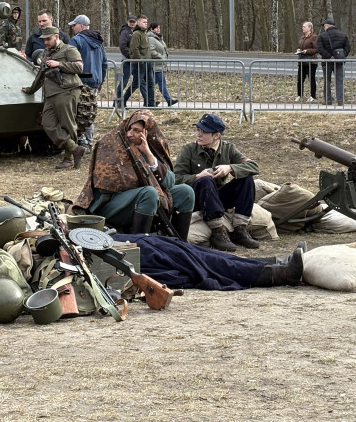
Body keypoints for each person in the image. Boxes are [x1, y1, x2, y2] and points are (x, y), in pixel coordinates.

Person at [74, 109, 194, 238]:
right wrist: (144, 181)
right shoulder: (110, 144)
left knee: (186, 192)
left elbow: (169, 182)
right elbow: (105, 186)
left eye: (137, 131)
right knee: (149, 193)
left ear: (147, 132)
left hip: (147, 197)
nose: (130, 134)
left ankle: (179, 244)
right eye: (129, 128)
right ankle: (140, 243)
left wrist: (148, 154)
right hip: (110, 203)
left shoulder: (152, 146)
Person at [174, 113, 261, 253]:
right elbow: (175, 178)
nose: (198, 134)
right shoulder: (188, 150)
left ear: (217, 136)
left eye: (204, 132)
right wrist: (197, 176)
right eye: (198, 130)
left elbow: (254, 167)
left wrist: (230, 168)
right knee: (206, 180)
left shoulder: (228, 148)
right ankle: (217, 231)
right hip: (197, 198)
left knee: (247, 179)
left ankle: (240, 229)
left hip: (217, 198)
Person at [113, 233, 305, 290]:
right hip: (114, 251)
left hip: (116, 240)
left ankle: (276, 262)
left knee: (197, 253)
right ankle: (278, 274)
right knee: (198, 263)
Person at [21, 25, 84, 168]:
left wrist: (59, 64)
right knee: (47, 123)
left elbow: (79, 67)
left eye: (48, 39)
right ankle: (75, 148)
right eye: (44, 40)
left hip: (67, 90)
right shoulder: (46, 52)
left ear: (56, 37)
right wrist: (31, 90)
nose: (45, 42)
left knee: (68, 124)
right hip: (50, 94)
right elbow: (41, 74)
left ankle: (68, 159)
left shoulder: (69, 50)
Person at [68, 14, 108, 148]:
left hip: (80, 81)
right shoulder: (98, 41)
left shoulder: (76, 40)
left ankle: (81, 140)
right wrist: (101, 80)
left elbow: (70, 61)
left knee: (78, 112)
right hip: (95, 81)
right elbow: (104, 63)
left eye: (74, 25)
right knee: (89, 111)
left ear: (81, 26)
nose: (73, 28)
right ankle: (89, 141)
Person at [122, 15, 156, 107]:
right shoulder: (136, 34)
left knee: (151, 84)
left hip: (148, 63)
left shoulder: (144, 33)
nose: (146, 24)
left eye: (146, 22)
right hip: (139, 64)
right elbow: (134, 49)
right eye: (144, 22)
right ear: (138, 23)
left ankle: (151, 103)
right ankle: (123, 100)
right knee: (135, 84)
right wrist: (140, 61)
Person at [316, 18, 351, 106]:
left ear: (327, 26)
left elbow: (320, 48)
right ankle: (340, 100)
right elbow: (348, 47)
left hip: (326, 61)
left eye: (324, 26)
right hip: (339, 61)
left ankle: (328, 100)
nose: (324, 28)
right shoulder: (343, 35)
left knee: (327, 81)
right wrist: (342, 56)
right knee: (339, 80)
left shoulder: (322, 36)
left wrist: (329, 56)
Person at [148, 22, 178, 107]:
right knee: (161, 83)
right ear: (151, 29)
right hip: (156, 65)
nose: (158, 29)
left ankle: (149, 100)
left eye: (159, 28)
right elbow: (151, 51)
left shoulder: (158, 38)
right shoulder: (151, 39)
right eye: (156, 28)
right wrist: (161, 57)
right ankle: (168, 100)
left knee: (151, 84)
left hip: (160, 65)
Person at [116, 14, 136, 109]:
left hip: (133, 61)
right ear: (127, 22)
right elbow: (122, 46)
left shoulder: (133, 31)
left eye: (133, 22)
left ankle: (149, 101)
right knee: (124, 82)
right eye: (130, 22)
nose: (132, 23)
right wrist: (131, 56)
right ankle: (118, 101)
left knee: (139, 82)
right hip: (127, 61)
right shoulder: (125, 32)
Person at [295, 21, 318, 103]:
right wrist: (299, 50)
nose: (303, 28)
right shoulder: (302, 38)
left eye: (304, 26)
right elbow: (299, 46)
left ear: (309, 28)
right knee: (300, 79)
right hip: (302, 61)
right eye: (302, 26)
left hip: (311, 61)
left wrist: (307, 51)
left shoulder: (314, 37)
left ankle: (312, 95)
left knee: (311, 79)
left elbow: (316, 49)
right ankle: (299, 95)